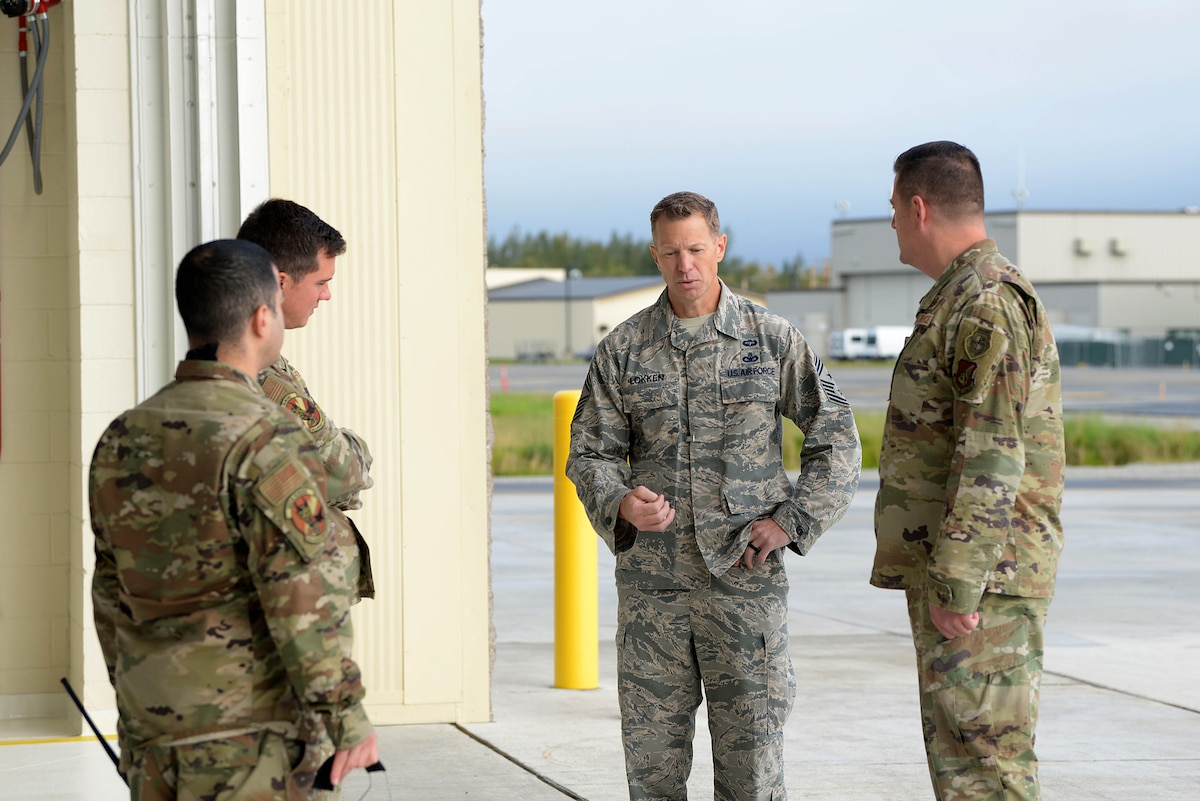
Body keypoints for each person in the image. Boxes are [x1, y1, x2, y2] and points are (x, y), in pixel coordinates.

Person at [566, 191, 861, 801]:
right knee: (653, 767)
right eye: (671, 252)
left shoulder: (772, 340)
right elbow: (588, 453)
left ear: (720, 247)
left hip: (745, 587)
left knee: (752, 762)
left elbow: (837, 437)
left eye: (697, 249)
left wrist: (793, 521)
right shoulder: (624, 349)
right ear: (655, 255)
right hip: (655, 594)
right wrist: (621, 501)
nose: (686, 266)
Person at [89, 239, 378, 800]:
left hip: (153, 735)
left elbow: (108, 591)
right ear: (261, 316)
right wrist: (346, 717)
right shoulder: (266, 438)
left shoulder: (123, 436)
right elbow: (299, 595)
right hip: (248, 742)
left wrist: (137, 706)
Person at [872, 141, 1066, 800]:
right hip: (973, 572)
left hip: (985, 580)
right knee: (964, 761)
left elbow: (992, 450)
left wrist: (958, 582)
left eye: (895, 208)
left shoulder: (983, 299)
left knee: (986, 768)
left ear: (919, 207)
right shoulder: (959, 295)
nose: (893, 222)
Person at [236, 198, 376, 601]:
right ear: (281, 283)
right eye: (320, 282)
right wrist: (354, 451)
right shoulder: (262, 378)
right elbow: (344, 471)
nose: (327, 295)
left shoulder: (248, 360)